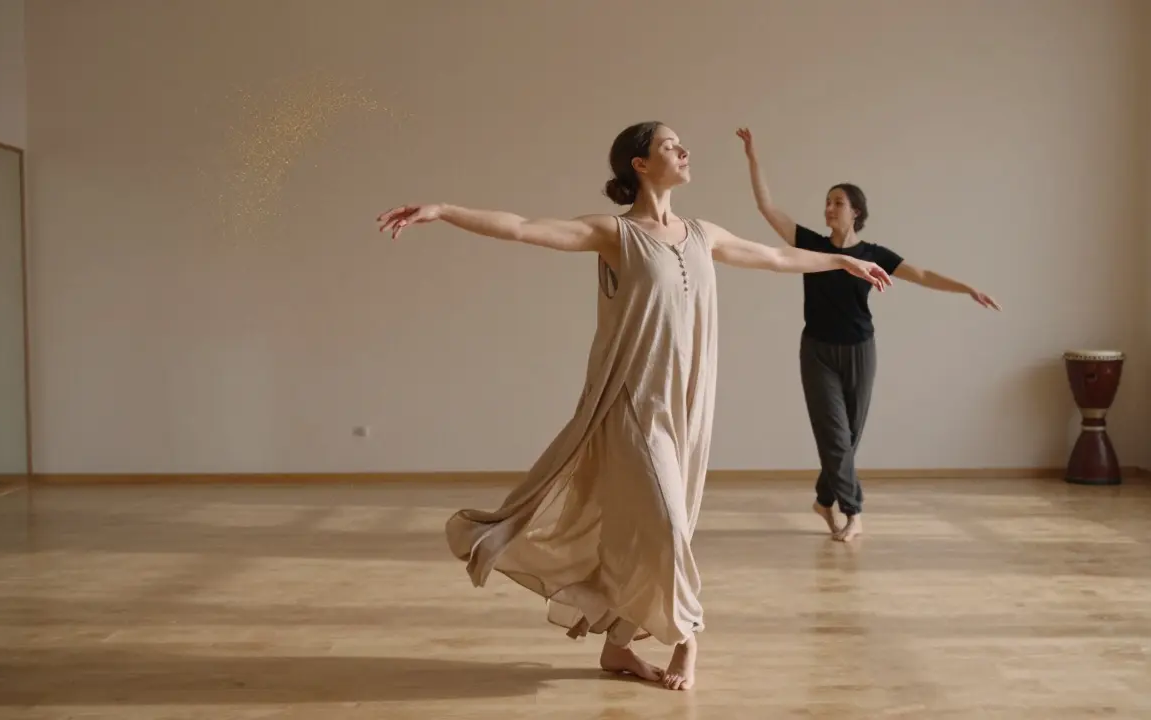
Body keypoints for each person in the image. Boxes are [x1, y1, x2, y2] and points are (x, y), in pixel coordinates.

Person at [376, 121, 892, 692]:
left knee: (648, 527)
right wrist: (444, 210)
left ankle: (618, 647)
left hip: (687, 402)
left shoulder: (702, 233)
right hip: (632, 399)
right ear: (640, 164)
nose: (683, 150)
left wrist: (841, 263)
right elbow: (523, 227)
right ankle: (687, 636)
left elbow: (772, 255)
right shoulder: (615, 234)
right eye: (670, 145)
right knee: (667, 523)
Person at [734, 127, 1001, 543]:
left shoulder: (873, 255)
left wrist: (966, 288)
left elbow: (923, 274)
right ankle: (852, 511)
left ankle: (824, 499)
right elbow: (767, 207)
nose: (829, 208)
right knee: (834, 436)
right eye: (827, 202)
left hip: (860, 350)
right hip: (817, 351)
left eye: (837, 202)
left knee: (849, 437)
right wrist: (753, 158)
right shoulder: (812, 246)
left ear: (855, 212)